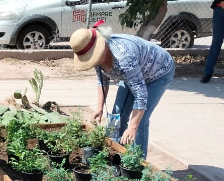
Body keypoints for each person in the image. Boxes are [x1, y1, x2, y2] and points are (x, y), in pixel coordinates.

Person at [72, 23, 175, 157]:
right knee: (117, 114)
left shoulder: (124, 58)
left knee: (140, 121)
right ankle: (112, 153)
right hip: (133, 75)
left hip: (158, 73)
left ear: (101, 48)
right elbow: (102, 81)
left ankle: (137, 164)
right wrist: (99, 107)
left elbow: (141, 94)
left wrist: (132, 127)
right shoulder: (97, 59)